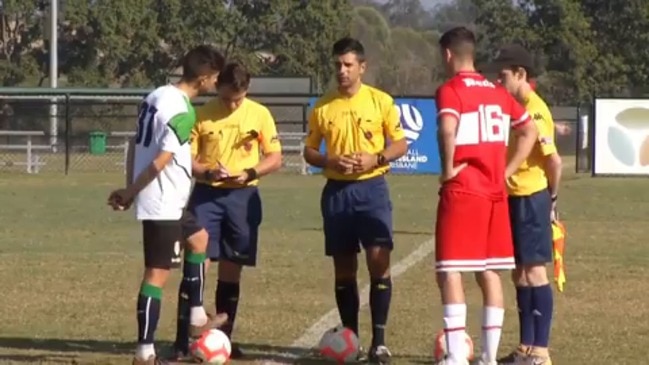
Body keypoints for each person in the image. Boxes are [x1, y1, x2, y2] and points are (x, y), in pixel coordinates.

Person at [107, 45, 228, 365]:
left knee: (200, 239)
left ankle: (197, 316)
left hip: (171, 198)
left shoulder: (155, 96)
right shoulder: (183, 111)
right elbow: (161, 160)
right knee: (156, 275)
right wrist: (132, 190)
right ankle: (144, 353)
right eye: (215, 77)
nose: (217, 82)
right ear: (204, 77)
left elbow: (135, 144)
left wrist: (129, 185)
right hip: (163, 201)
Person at [433, 27, 538, 365]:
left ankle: (454, 357)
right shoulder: (497, 92)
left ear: (448, 54)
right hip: (495, 193)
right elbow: (529, 129)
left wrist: (448, 168)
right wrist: (505, 172)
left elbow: (447, 128)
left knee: (450, 272)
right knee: (490, 272)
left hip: (465, 191)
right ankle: (488, 357)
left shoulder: (450, 90)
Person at [303, 37, 408, 365]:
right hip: (337, 193)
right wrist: (329, 161)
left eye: (348, 65)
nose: (342, 71)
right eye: (337, 65)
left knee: (379, 260)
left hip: (371, 189)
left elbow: (400, 144)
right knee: (344, 269)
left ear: (362, 67)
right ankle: (350, 339)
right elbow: (309, 151)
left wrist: (374, 159)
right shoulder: (322, 106)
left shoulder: (381, 101)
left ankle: (379, 342)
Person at [172, 62, 283, 360]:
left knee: (232, 269)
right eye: (226, 97)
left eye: (239, 98)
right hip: (207, 196)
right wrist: (207, 173)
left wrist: (249, 172)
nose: (233, 104)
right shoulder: (201, 114)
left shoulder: (259, 114)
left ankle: (223, 339)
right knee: (197, 264)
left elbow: (275, 157)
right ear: (217, 87)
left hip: (243, 198)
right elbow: (187, 158)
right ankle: (182, 341)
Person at [491, 44, 562, 365]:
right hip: (513, 198)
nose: (498, 81)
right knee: (519, 273)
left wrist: (552, 200)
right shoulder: (510, 107)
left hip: (532, 198)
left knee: (535, 273)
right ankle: (525, 348)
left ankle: (542, 351)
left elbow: (555, 162)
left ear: (520, 74)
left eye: (503, 75)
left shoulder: (535, 110)